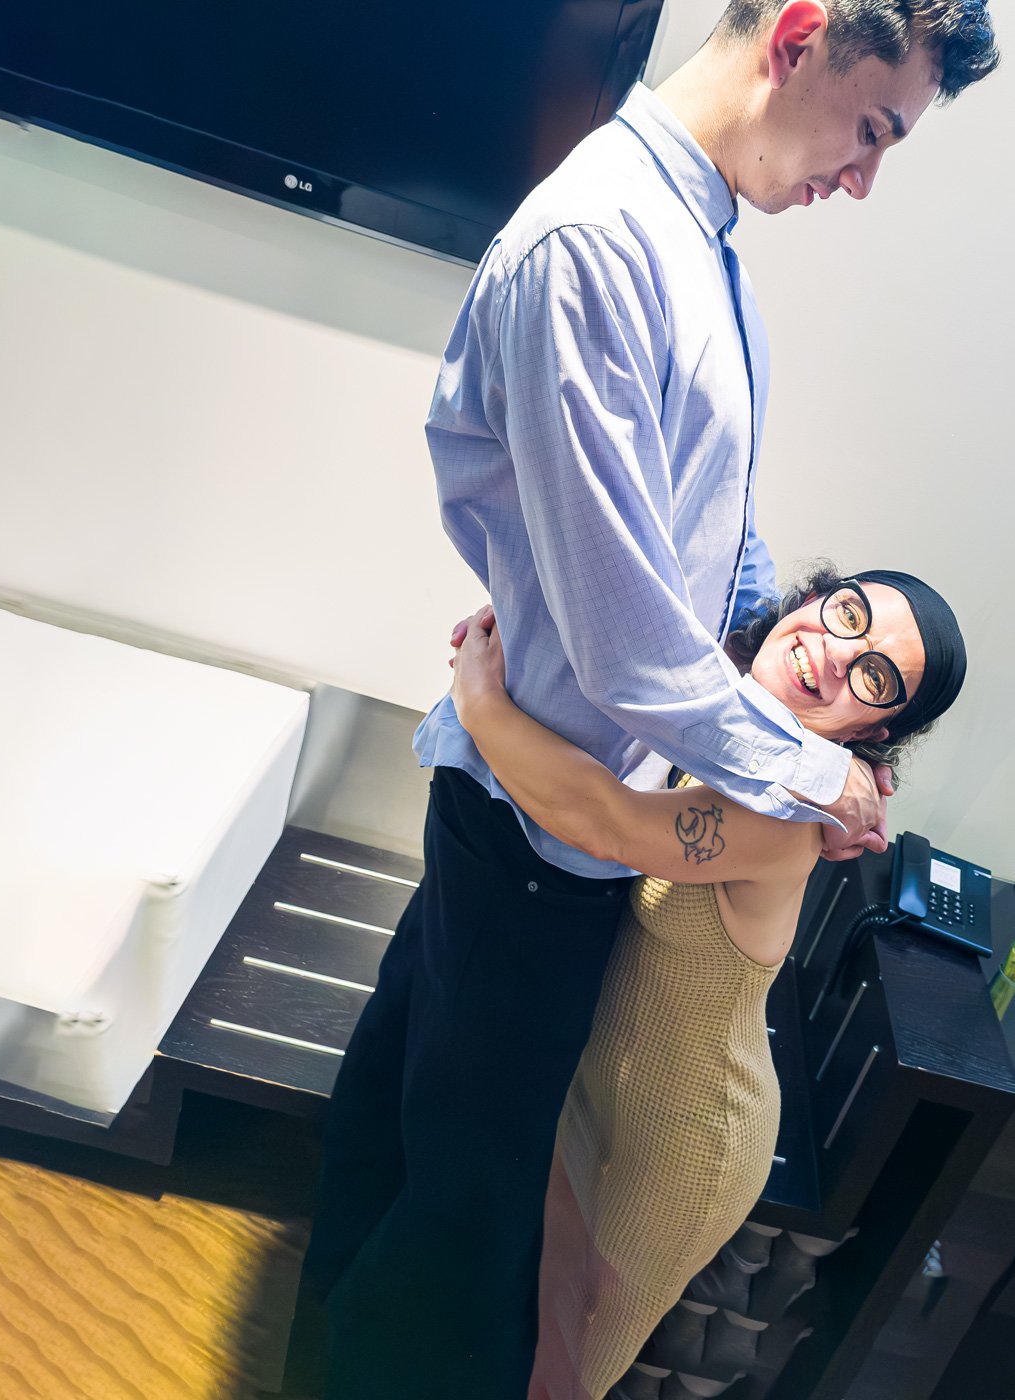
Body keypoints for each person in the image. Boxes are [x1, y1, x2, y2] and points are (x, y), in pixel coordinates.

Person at [304, 6, 998, 1398]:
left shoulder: (699, 245)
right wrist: (813, 774)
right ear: (796, 33)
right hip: (526, 843)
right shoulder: (596, 247)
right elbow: (630, 661)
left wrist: (769, 705)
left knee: (417, 1155)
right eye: (871, 131)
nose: (862, 179)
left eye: (870, 679)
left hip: (554, 846)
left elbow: (714, 539)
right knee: (461, 1235)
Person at [448, 566, 967, 1399]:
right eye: (846, 613)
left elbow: (601, 820)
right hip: (602, 1088)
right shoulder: (734, 724)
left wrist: (476, 701)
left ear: (874, 730)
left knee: (559, 1372)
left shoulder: (780, 813)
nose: (834, 653)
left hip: (682, 1144)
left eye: (873, 675)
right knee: (513, 1325)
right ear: (811, 598)